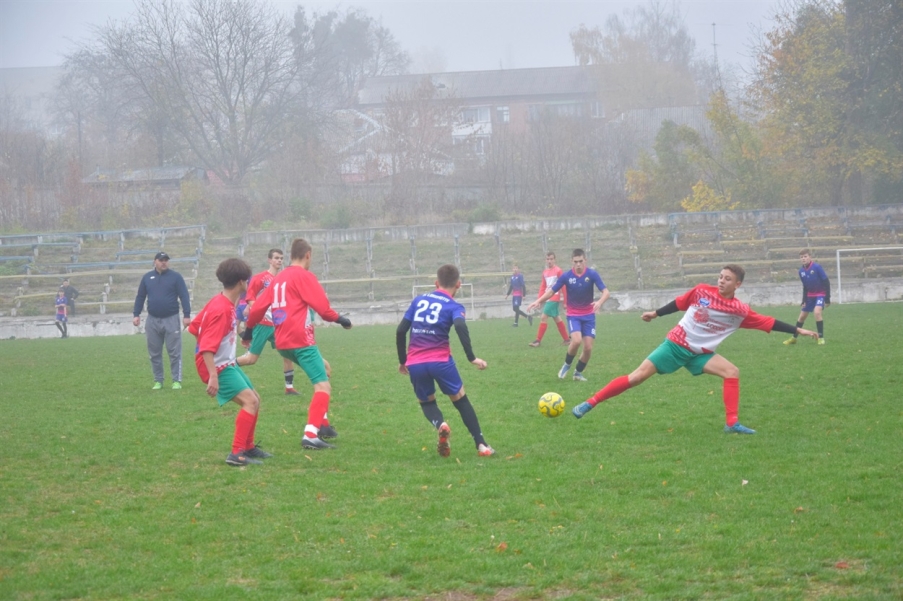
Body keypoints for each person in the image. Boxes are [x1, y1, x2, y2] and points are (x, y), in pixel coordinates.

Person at [571, 264, 819, 434]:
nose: (722, 281)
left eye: (728, 279)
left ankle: (732, 424)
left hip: (700, 353)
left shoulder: (739, 311)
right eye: (721, 277)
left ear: (738, 284)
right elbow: (679, 303)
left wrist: (798, 330)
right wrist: (655, 314)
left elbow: (768, 321)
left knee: (732, 372)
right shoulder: (701, 291)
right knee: (636, 377)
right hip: (676, 344)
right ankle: (589, 403)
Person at [246, 238, 352, 450]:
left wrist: (248, 329)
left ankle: (323, 424)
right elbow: (323, 308)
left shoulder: (278, 278)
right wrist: (341, 319)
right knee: (323, 386)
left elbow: (257, 308)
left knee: (325, 368)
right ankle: (311, 434)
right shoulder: (304, 276)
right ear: (308, 255)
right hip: (301, 340)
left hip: (283, 341)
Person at [396, 264, 495, 457]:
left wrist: (403, 360)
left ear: (436, 283)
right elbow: (459, 325)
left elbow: (401, 330)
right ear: (458, 284)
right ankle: (482, 445)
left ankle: (441, 424)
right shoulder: (454, 306)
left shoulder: (419, 300)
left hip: (415, 362)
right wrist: (471, 358)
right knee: (461, 400)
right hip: (441, 361)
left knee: (427, 403)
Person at [188, 258, 271, 467]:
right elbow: (206, 345)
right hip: (217, 366)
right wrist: (213, 374)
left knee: (255, 399)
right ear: (242, 282)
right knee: (249, 402)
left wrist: (229, 341)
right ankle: (236, 453)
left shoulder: (220, 302)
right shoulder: (222, 309)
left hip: (225, 362)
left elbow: (194, 328)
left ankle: (248, 447)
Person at [527, 248, 609, 382]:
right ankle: (567, 365)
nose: (578, 264)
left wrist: (600, 302)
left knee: (588, 348)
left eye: (580, 261)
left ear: (585, 261)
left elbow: (606, 292)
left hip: (589, 315)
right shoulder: (566, 276)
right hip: (574, 314)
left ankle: (577, 373)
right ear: (572, 261)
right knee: (576, 340)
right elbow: (551, 291)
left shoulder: (592, 274)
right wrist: (538, 301)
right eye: (575, 262)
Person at [237, 249, 303, 396]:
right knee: (251, 359)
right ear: (269, 260)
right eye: (276, 258)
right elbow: (250, 296)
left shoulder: (282, 279)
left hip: (278, 324)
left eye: (281, 258)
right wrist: (256, 308)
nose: (279, 260)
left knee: (288, 353)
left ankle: (289, 387)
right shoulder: (261, 278)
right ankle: (224, 369)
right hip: (263, 323)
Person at [132, 251, 192, 390]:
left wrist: (187, 315)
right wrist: (136, 314)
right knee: (154, 353)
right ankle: (158, 380)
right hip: (152, 320)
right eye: (161, 260)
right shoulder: (147, 277)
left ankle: (176, 380)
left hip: (171, 319)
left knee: (174, 352)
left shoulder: (176, 277)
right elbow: (140, 296)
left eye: (166, 260)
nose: (164, 262)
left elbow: (184, 296)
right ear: (155, 262)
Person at [784, 249, 830, 346]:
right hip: (809, 296)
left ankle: (821, 338)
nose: (803, 258)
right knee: (801, 317)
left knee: (817, 312)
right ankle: (794, 338)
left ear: (810, 257)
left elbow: (826, 281)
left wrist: (827, 298)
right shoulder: (801, 271)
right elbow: (805, 286)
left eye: (805, 256)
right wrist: (803, 300)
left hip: (820, 294)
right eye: (801, 257)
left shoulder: (817, 267)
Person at [529, 251, 570, 347]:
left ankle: (538, 341)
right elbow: (543, 287)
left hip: (554, 297)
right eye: (548, 259)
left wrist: (565, 301)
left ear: (555, 260)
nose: (549, 261)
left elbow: (564, 286)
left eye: (551, 259)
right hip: (548, 298)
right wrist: (539, 300)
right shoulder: (545, 272)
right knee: (557, 318)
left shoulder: (558, 271)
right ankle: (567, 340)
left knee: (543, 317)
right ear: (545, 260)